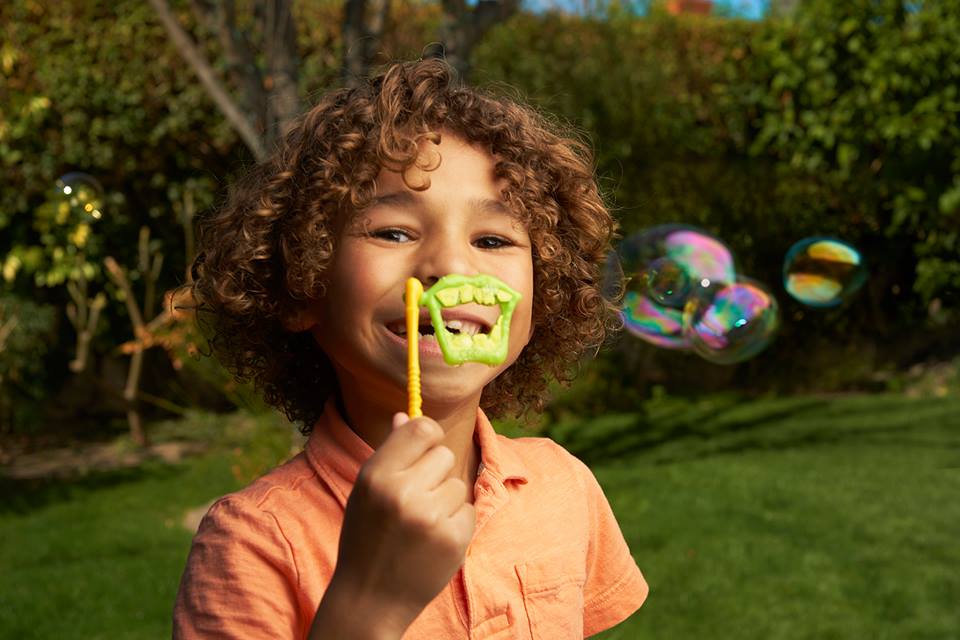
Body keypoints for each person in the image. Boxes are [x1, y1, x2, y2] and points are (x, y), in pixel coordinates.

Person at [172, 57, 649, 639]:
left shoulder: (564, 486)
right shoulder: (253, 543)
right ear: (301, 284)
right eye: (393, 232)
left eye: (492, 239)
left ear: (542, 298)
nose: (451, 266)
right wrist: (369, 599)